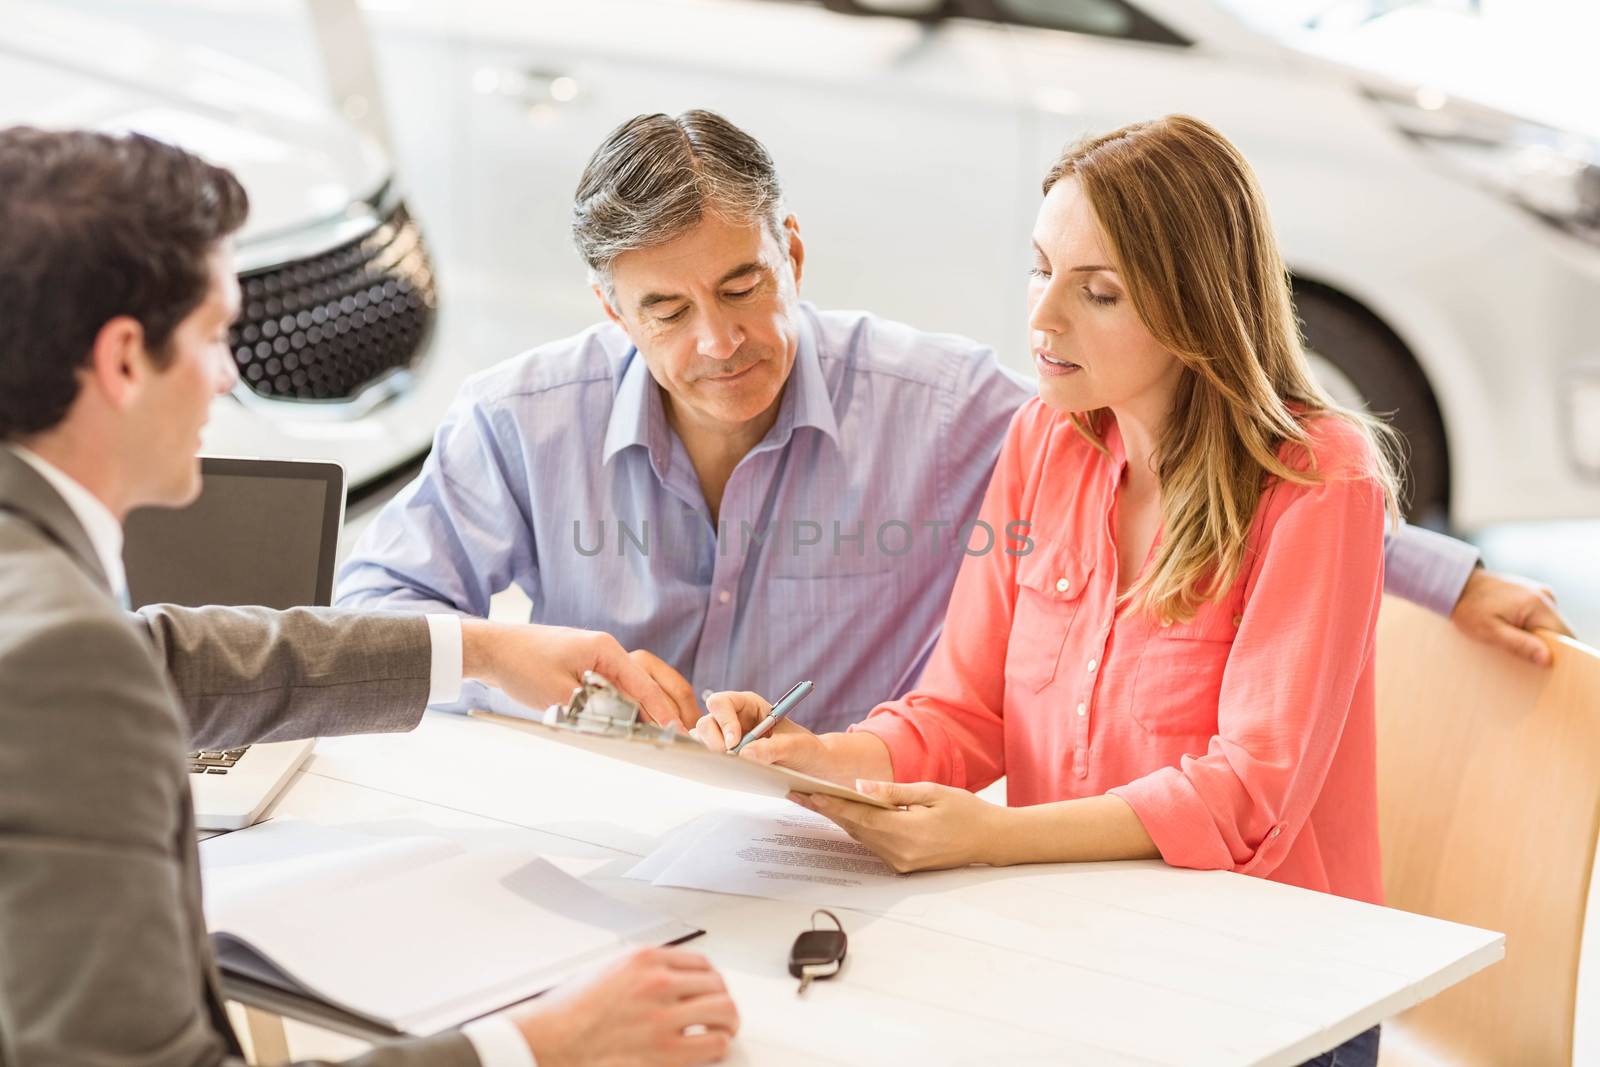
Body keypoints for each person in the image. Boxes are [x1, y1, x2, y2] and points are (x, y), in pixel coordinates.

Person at [335, 110, 1570, 737]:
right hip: (584, 856)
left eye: (743, 286)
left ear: (793, 250)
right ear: (609, 308)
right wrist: (500, 653)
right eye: (666, 310)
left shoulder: (944, 406)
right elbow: (361, 613)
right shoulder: (516, 420)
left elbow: (1192, 446)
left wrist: (1438, 577)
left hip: (841, 859)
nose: (717, 341)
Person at [694, 114, 1455, 1064]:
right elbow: (964, 713)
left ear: (1196, 309)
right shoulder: (1043, 440)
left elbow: (1247, 796)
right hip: (1082, 948)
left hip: (1270, 992)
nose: (1043, 316)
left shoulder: (1318, 481)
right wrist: (821, 757)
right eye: (1039, 268)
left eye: (1097, 292)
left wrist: (989, 838)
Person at [0, 127, 737, 1067]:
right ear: (121, 361)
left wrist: (478, 648)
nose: (230, 377)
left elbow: (156, 659)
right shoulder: (58, 655)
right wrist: (535, 1045)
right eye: (216, 335)